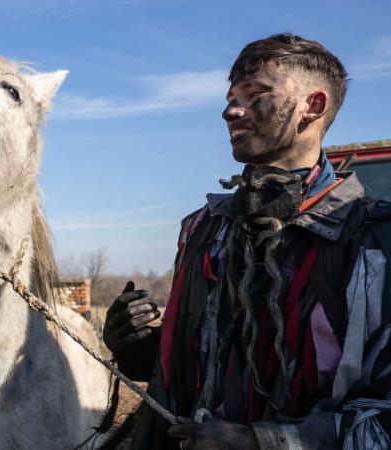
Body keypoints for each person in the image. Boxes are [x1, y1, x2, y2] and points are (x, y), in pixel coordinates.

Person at [104, 33, 391, 449]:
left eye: (256, 94)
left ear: (314, 106)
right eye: (232, 96)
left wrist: (262, 442)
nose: (230, 110)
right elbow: (203, 361)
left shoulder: (373, 241)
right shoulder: (205, 227)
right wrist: (135, 349)